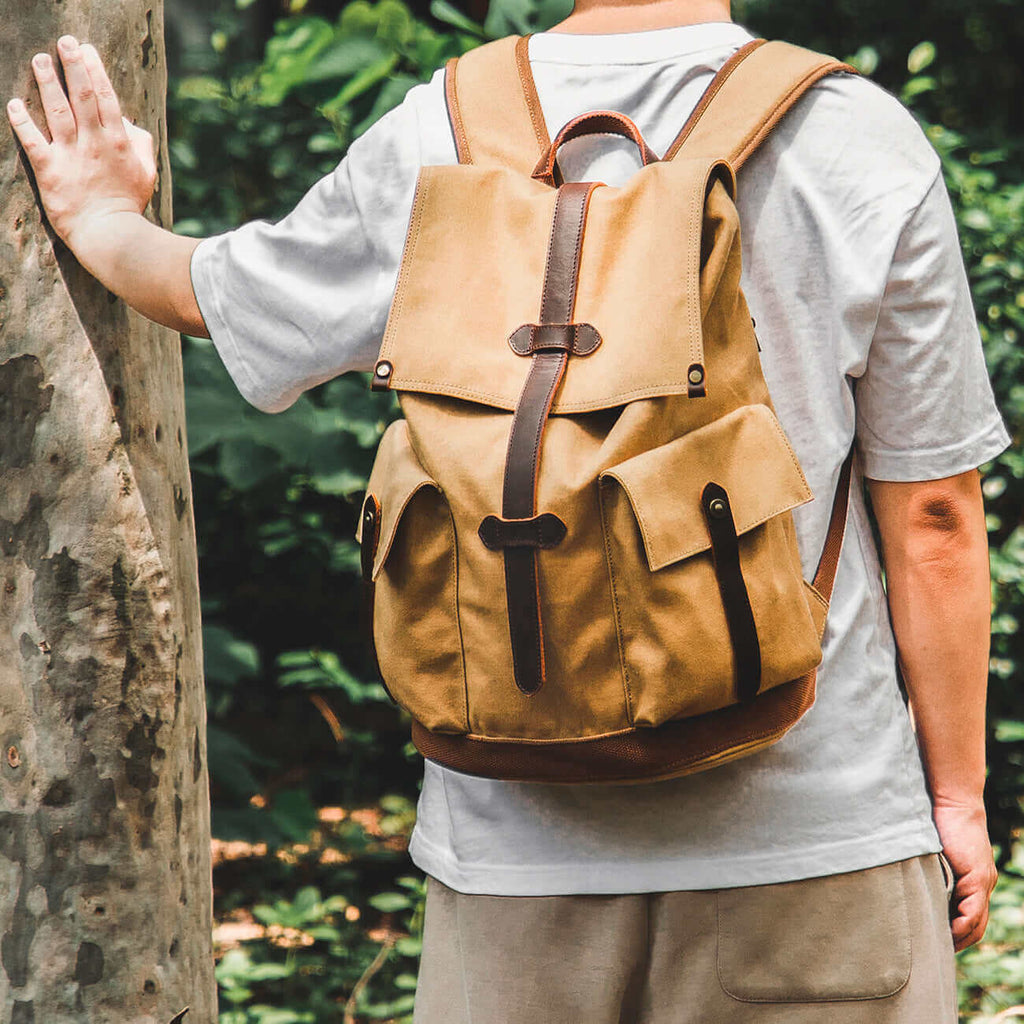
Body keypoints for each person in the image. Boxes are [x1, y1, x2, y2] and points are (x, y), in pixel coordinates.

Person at [7, 0, 1008, 1018]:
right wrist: (958, 799)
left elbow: (217, 295)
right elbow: (932, 516)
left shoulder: (442, 126)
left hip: (515, 864)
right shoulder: (855, 134)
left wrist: (101, 219)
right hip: (814, 848)